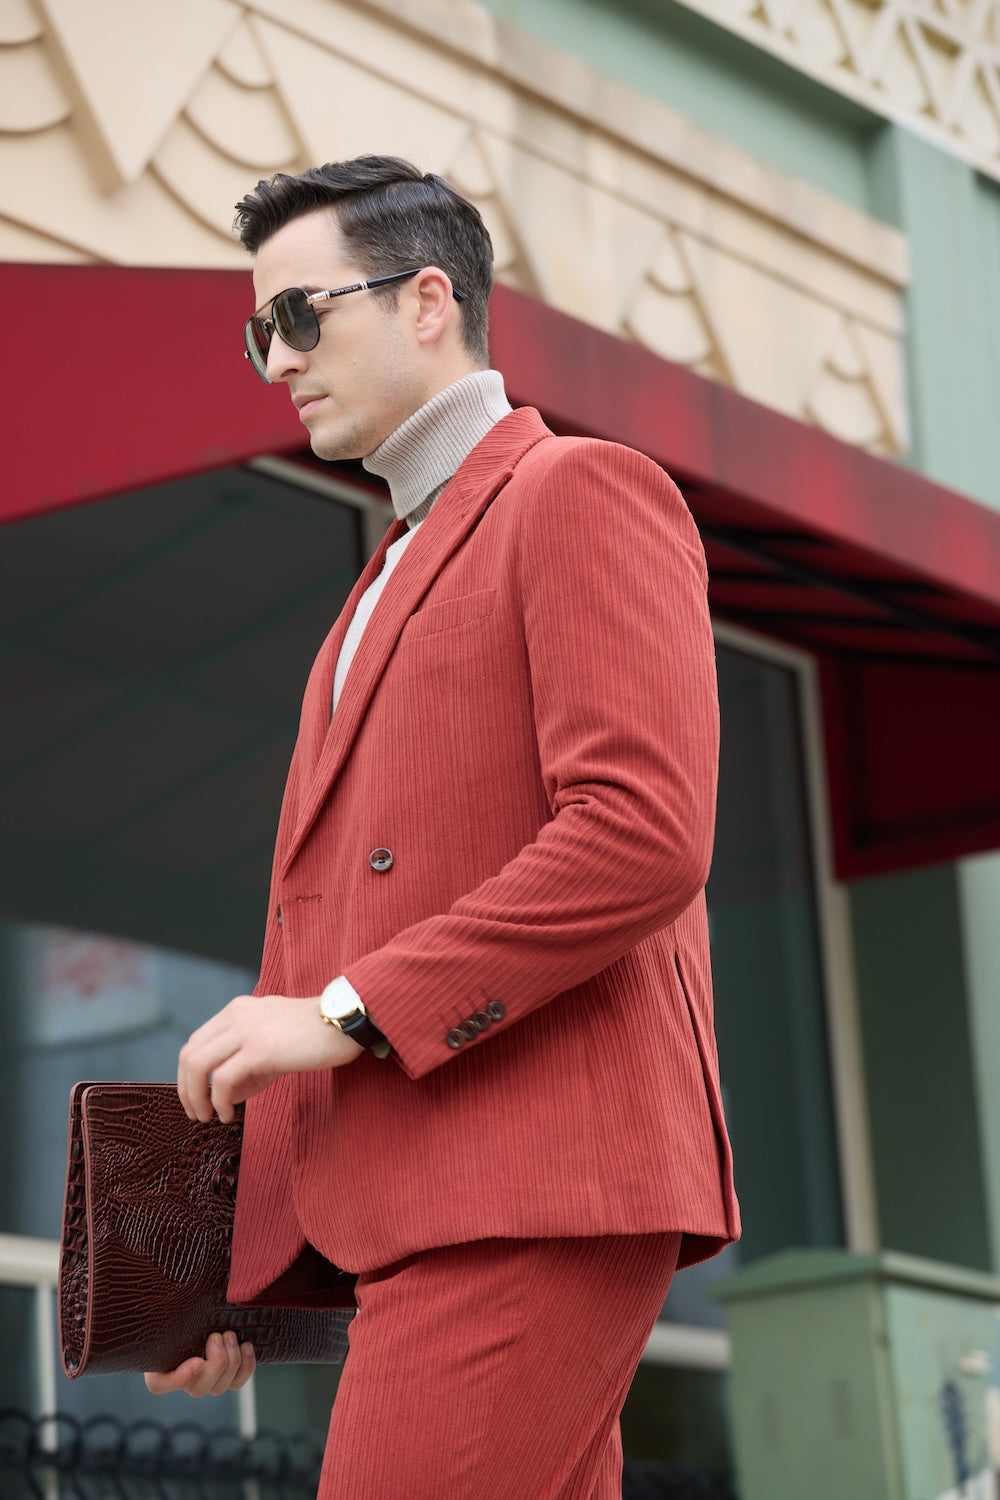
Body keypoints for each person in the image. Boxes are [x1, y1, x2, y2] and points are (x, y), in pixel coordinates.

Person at [145, 155, 739, 1499]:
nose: (276, 361)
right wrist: (242, 1275)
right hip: (428, 1197)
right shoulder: (376, 584)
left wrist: (350, 1011)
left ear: (427, 301)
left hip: (532, 1184)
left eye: (302, 317)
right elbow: (317, 935)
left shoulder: (582, 490)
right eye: (259, 333)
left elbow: (640, 834)